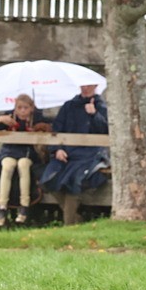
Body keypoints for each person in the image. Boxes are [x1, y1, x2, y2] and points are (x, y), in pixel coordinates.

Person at [40, 83, 109, 224]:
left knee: (75, 181)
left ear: (95, 86)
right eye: (83, 85)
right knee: (49, 178)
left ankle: (69, 224)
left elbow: (105, 132)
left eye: (88, 85)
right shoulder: (69, 106)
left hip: (90, 154)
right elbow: (57, 130)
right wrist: (57, 149)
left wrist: (94, 115)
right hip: (67, 152)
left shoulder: (101, 107)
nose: (85, 88)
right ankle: (75, 220)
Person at [0, 93, 48, 227]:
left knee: (23, 165)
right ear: (15, 108)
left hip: (28, 152)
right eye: (19, 108)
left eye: (26, 108)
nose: (22, 111)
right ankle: (2, 206)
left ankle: (24, 205)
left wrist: (38, 131)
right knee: (7, 166)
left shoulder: (37, 118)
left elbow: (47, 128)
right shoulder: (8, 117)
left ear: (31, 108)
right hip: (9, 150)